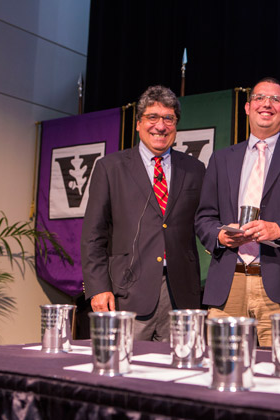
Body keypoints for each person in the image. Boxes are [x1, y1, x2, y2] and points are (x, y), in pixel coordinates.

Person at [195, 77, 280, 347]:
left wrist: (278, 230)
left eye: (275, 99)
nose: (266, 104)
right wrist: (220, 236)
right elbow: (204, 217)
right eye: (259, 98)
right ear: (247, 107)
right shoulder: (222, 158)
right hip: (228, 284)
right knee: (223, 372)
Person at [81, 85, 205, 341]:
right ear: (138, 124)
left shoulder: (195, 169)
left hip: (181, 296)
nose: (160, 126)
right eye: (152, 118)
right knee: (124, 372)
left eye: (168, 119)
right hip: (126, 295)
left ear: (176, 125)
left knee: (179, 375)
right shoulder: (110, 168)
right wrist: (98, 288)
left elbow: (205, 222)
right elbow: (93, 235)